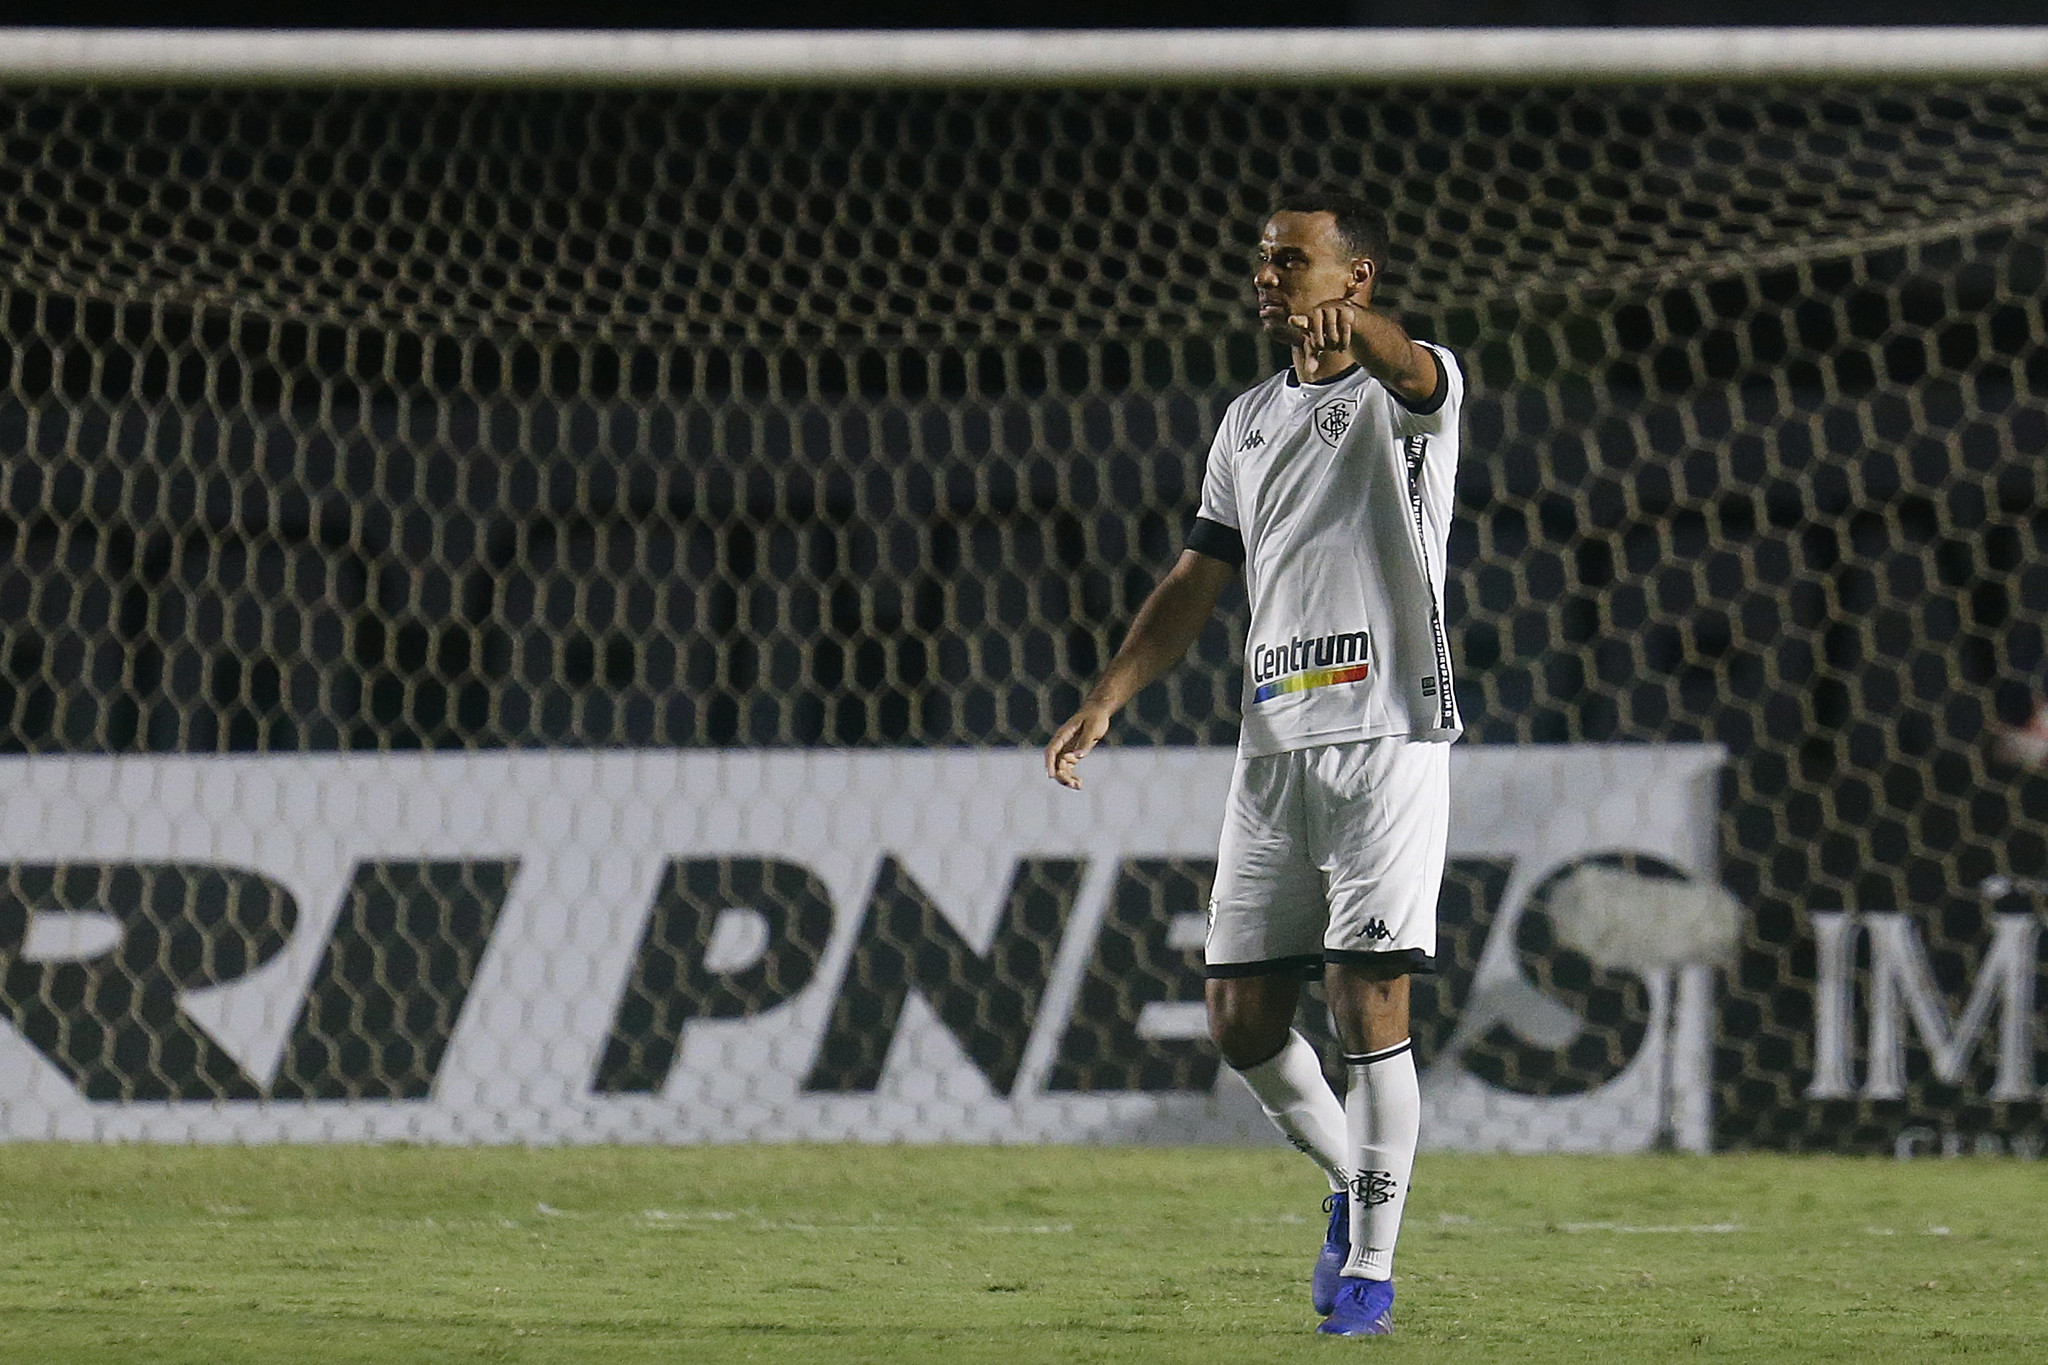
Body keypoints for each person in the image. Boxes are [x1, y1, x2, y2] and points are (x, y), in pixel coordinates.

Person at [1043, 190, 1462, 1337]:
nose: (1266, 278)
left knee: (1364, 1004)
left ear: (1355, 275)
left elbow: (1412, 366)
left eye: (1291, 261)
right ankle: (1346, 1181)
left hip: (1387, 733)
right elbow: (1193, 579)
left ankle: (1368, 1277)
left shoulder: (1410, 393)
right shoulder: (1245, 421)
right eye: (1260, 261)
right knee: (1235, 1019)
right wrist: (1105, 698)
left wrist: (1362, 336)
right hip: (1272, 742)